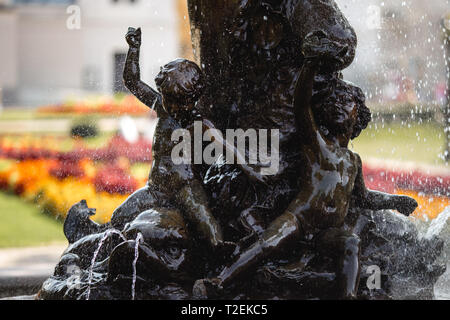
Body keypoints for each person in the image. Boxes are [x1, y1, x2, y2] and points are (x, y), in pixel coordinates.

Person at [193, 38, 418, 299]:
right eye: (336, 100)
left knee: (351, 243)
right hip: (298, 220)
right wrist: (310, 63)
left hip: (326, 232)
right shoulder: (316, 144)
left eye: (347, 101)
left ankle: (348, 295)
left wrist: (394, 201)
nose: (339, 104)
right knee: (270, 242)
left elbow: (364, 197)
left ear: (358, 115)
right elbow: (301, 104)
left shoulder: (352, 161)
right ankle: (219, 282)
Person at [112, 27, 266, 251]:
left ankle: (221, 251)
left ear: (190, 101)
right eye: (166, 99)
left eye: (175, 102)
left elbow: (227, 148)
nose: (169, 106)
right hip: (157, 187)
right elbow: (132, 82)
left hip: (186, 188)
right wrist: (134, 49)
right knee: (119, 215)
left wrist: (251, 171)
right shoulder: (161, 106)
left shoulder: (199, 124)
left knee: (205, 222)